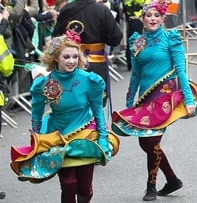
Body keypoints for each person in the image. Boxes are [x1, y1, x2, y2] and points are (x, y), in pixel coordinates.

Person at [11, 32, 118, 202]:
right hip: (58, 137)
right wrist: (37, 140)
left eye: (75, 56)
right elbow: (36, 113)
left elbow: (97, 111)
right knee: (68, 184)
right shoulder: (43, 84)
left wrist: (103, 139)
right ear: (55, 58)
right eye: (66, 56)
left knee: (85, 190)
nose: (72, 61)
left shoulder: (90, 80)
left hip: (85, 136)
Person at [112, 0, 197, 201]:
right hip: (145, 98)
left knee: (150, 140)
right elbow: (135, 75)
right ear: (143, 18)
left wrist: (188, 100)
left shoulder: (171, 39)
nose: (152, 19)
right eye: (148, 15)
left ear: (162, 19)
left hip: (164, 98)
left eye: (156, 15)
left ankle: (151, 185)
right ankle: (171, 179)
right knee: (146, 143)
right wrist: (129, 104)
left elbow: (181, 71)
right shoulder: (137, 41)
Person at [52, 0, 123, 106]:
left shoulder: (66, 10)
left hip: (70, 65)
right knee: (95, 107)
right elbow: (115, 38)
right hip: (96, 65)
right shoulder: (102, 10)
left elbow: (56, 37)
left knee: (73, 107)